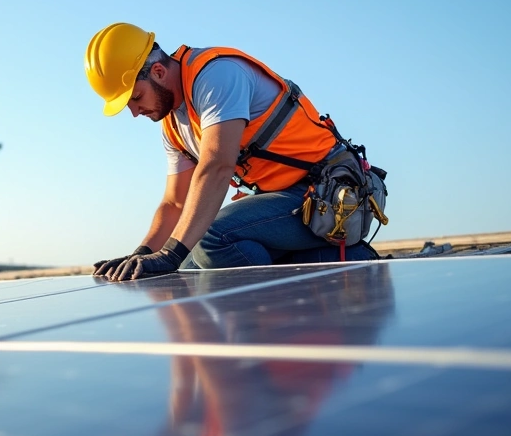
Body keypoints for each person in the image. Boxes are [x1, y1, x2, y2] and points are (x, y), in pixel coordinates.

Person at [85, 22, 380, 282]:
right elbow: (174, 202)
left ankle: (286, 308)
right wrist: (143, 254)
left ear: (159, 71)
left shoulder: (216, 76)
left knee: (210, 238)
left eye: (136, 98)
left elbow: (217, 166)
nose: (135, 113)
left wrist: (171, 251)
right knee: (185, 267)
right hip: (285, 201)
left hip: (327, 195)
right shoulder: (174, 125)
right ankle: (319, 260)